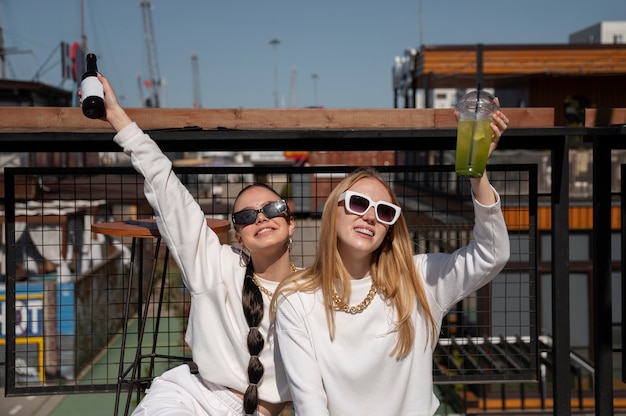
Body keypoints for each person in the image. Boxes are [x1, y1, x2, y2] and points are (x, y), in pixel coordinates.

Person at [270, 109, 510, 415]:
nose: (370, 216)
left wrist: (478, 175)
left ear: (389, 228)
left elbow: (493, 254)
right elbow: (310, 404)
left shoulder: (419, 279)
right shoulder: (297, 300)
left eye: (384, 211)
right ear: (334, 210)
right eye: (358, 203)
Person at [82, 74, 294, 416]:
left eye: (272, 209)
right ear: (237, 236)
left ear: (291, 221)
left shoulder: (314, 290)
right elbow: (169, 194)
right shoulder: (215, 264)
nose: (261, 218)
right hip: (196, 398)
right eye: (246, 216)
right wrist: (117, 117)